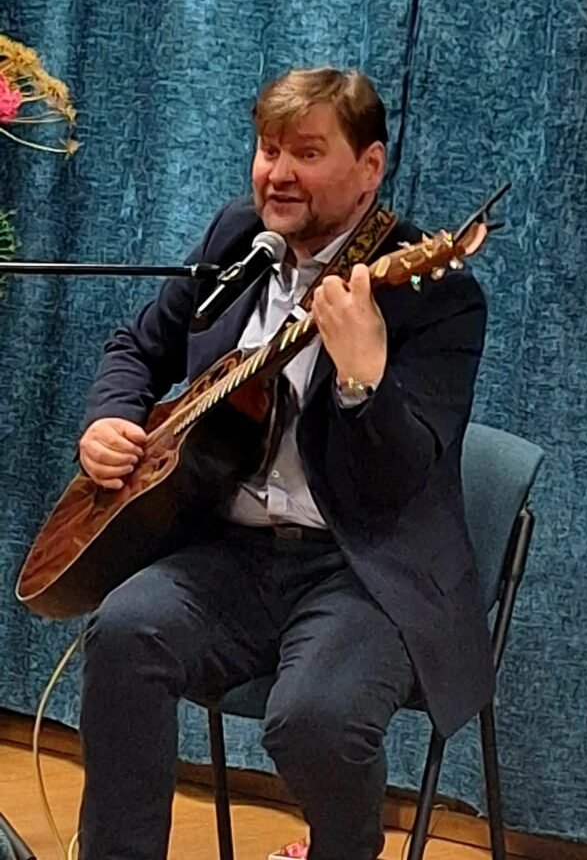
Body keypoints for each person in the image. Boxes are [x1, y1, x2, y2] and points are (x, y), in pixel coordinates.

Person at [76, 67, 494, 860]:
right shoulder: (238, 239)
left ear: (369, 167)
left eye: (307, 152)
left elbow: (402, 475)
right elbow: (138, 346)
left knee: (315, 719)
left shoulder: (436, 294)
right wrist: (108, 419)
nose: (278, 173)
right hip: (232, 554)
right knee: (124, 633)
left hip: (363, 570)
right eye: (269, 149)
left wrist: (364, 381)